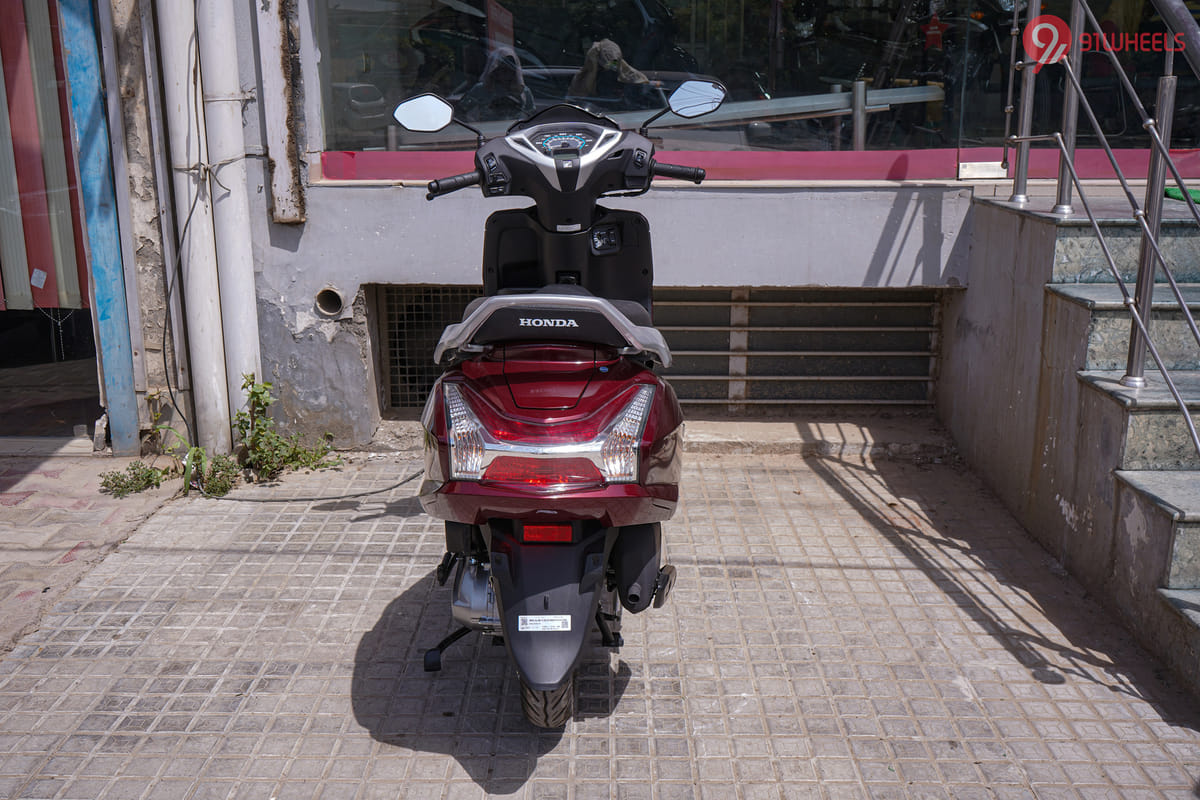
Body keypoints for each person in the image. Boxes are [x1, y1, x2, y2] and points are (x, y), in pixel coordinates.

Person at [567, 39, 656, 109]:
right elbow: (575, 100)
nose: (611, 68)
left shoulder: (630, 78)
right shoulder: (583, 78)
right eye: (606, 63)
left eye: (614, 63)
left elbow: (641, 103)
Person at [455, 46, 535, 122]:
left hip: (515, 132)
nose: (506, 73)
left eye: (510, 70)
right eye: (502, 69)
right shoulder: (481, 89)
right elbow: (461, 110)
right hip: (490, 132)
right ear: (494, 70)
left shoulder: (523, 91)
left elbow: (531, 114)